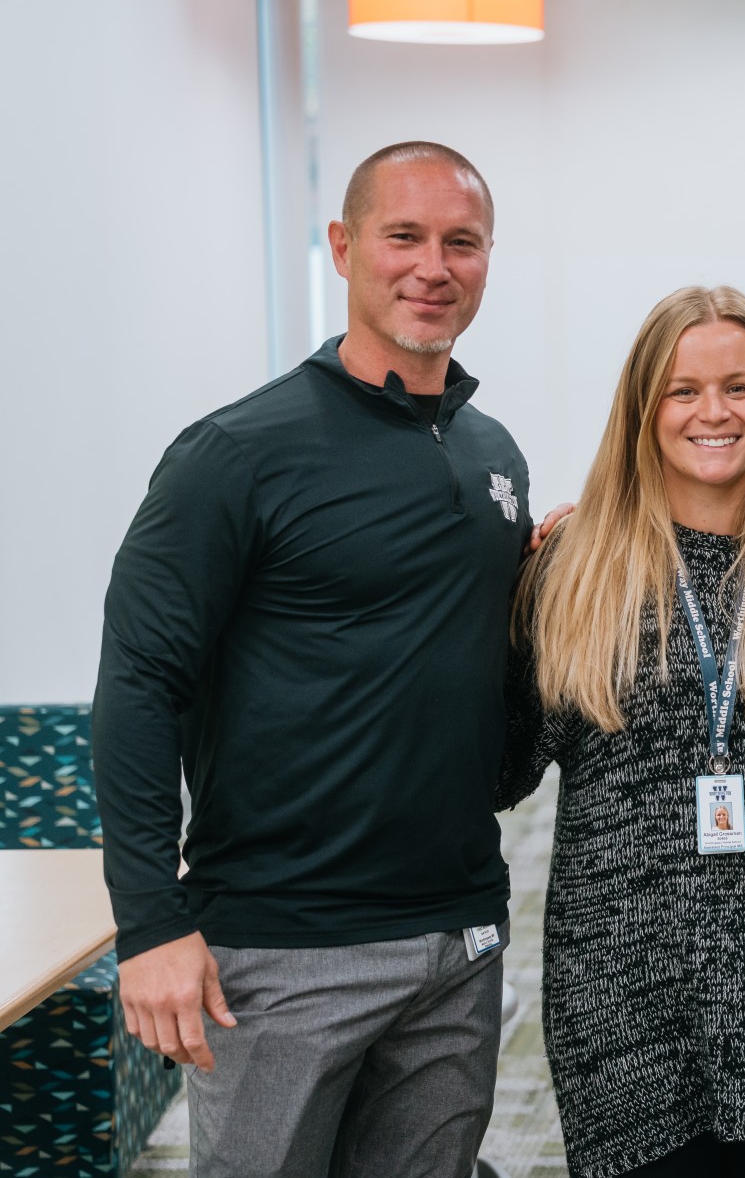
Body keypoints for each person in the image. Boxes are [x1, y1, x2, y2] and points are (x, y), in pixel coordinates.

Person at [93, 141, 529, 1176]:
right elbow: (139, 687)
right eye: (404, 237)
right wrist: (150, 923)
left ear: (486, 260)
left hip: (456, 934)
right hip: (283, 948)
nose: (433, 266)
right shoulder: (237, 454)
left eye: (460, 242)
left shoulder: (491, 454)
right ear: (342, 247)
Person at [501, 285, 745, 1178]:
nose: (712, 411)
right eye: (682, 390)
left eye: (738, 387)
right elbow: (500, 764)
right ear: (644, 408)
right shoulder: (577, 568)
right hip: (625, 988)